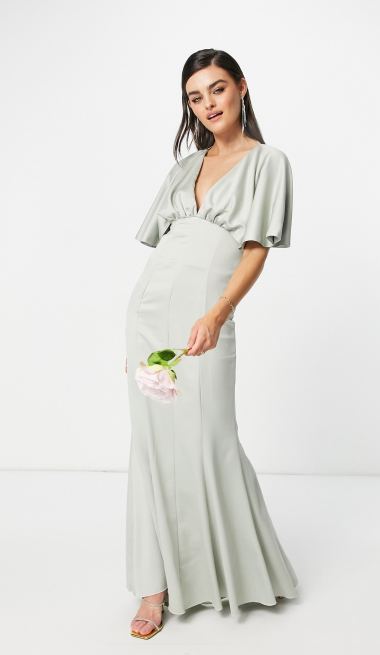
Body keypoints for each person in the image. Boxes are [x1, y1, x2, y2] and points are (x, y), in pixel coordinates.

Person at [125, 48, 299, 639]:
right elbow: (166, 251)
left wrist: (219, 312)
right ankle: (153, 587)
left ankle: (233, 571)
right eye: (195, 97)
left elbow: (256, 250)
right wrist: (137, 330)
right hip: (150, 316)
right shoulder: (183, 169)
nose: (208, 105)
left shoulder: (267, 162)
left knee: (211, 437)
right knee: (152, 446)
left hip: (207, 316)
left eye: (217, 89)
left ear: (242, 88)